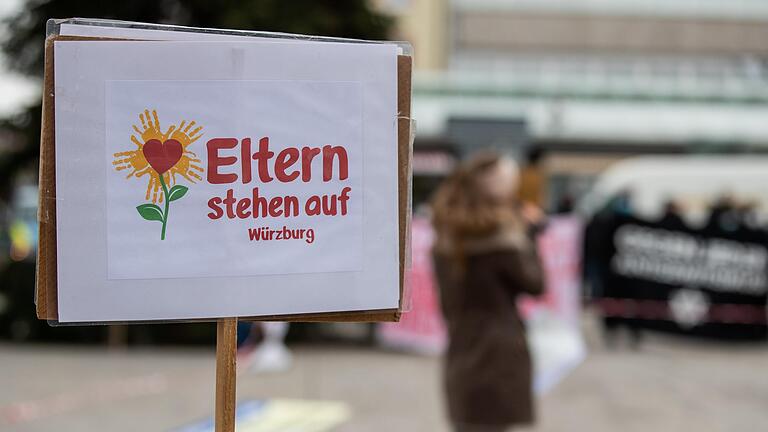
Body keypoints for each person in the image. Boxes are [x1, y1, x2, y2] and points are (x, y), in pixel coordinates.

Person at [431, 152, 544, 432]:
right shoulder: (504, 242)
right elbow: (536, 284)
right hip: (501, 353)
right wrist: (531, 236)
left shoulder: (445, 237)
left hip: (461, 347)